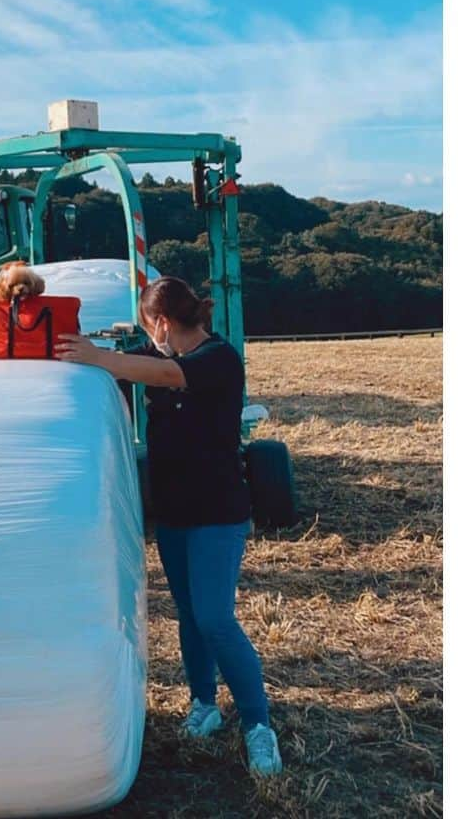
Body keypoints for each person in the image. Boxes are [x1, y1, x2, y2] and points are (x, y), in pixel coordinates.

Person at [54, 276, 283, 778]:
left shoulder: (217, 359)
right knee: (187, 613)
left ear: (161, 322)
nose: (148, 337)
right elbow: (133, 363)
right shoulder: (152, 354)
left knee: (215, 619)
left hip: (219, 513)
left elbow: (166, 375)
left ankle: (258, 726)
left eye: (148, 327)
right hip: (175, 513)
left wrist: (105, 360)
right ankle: (204, 704)